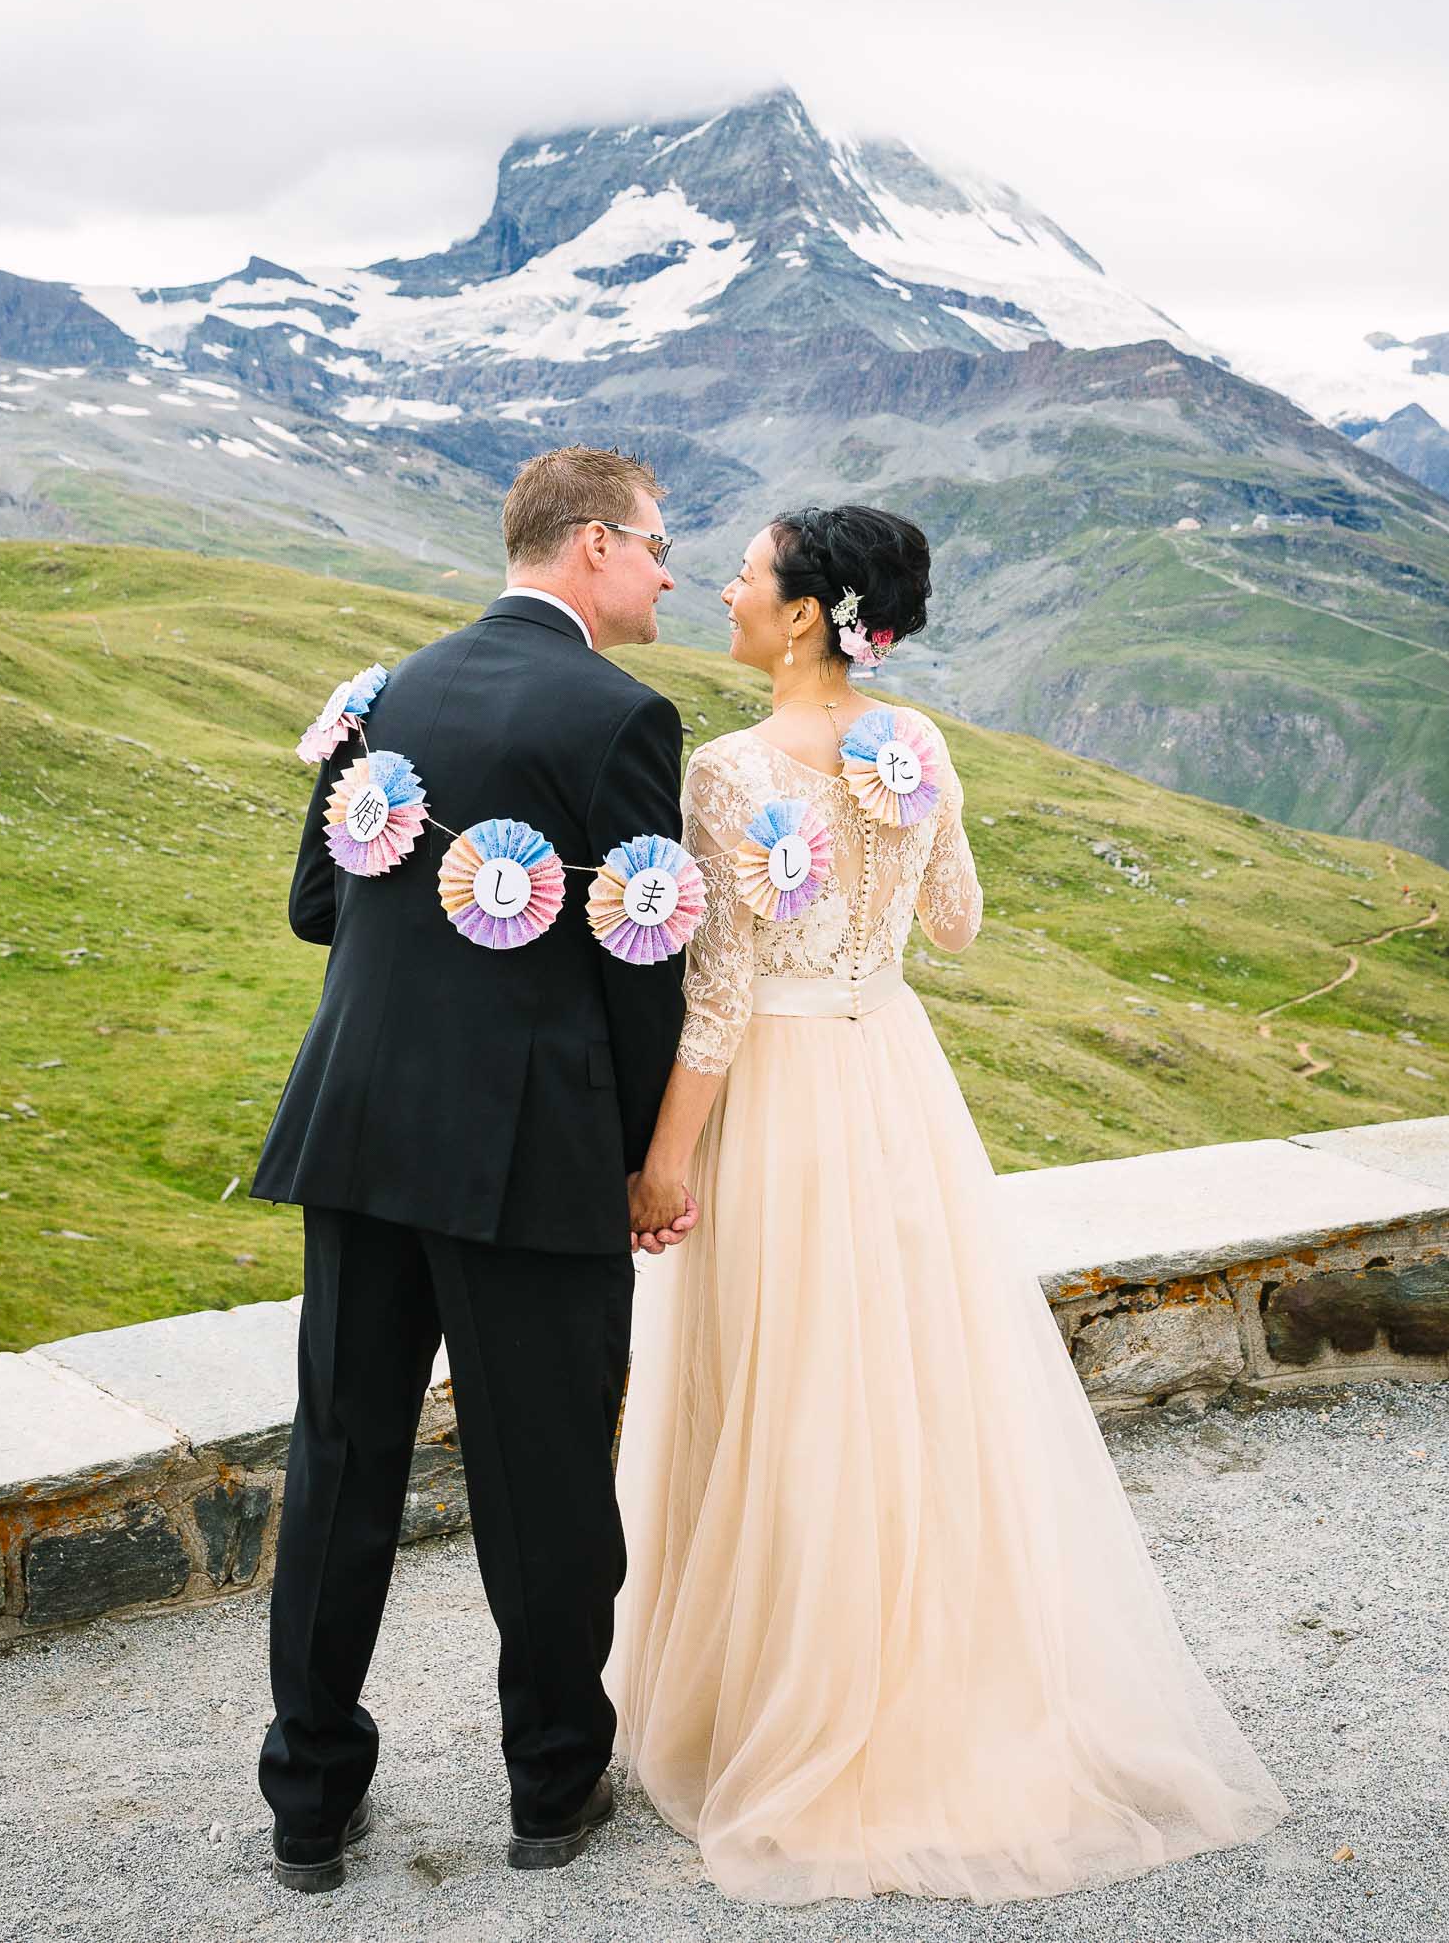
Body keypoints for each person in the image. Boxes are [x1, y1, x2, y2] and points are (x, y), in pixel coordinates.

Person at [608, 503, 1291, 1905]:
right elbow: (956, 924)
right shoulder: (918, 748)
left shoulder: (731, 771)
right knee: (905, 1385)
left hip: (784, 1098)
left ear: (803, 613)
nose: (725, 591)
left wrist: (665, 1157)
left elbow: (724, 994)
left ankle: (779, 1706)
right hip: (894, 1083)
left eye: (743, 575)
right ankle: (935, 1675)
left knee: (781, 1385)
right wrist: (903, 841)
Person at [251, 444, 695, 1891]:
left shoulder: (384, 693)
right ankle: (551, 1794)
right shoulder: (624, 714)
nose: (667, 571)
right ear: (586, 547)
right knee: (546, 1475)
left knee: (341, 1461)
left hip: (362, 1132)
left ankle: (310, 1806)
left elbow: (322, 902)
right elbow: (642, 965)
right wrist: (646, 1159)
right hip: (528, 1159)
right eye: (652, 544)